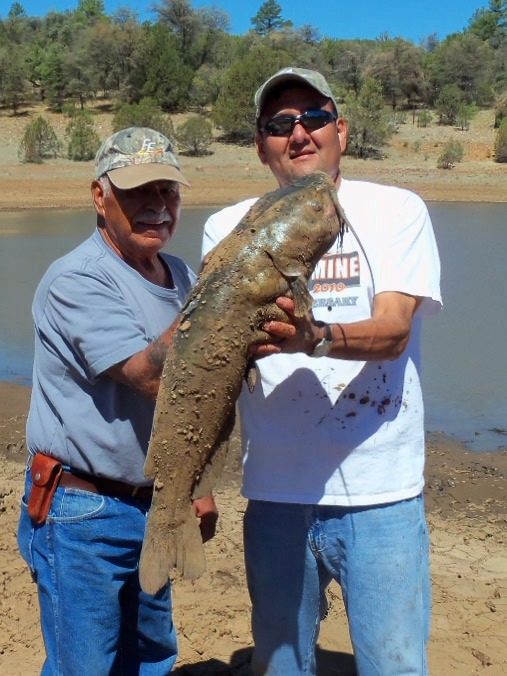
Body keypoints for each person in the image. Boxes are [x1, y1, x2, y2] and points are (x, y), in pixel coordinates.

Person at [202, 68, 442, 676]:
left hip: (382, 495)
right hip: (276, 493)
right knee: (280, 665)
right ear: (261, 145)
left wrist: (315, 338)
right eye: (280, 124)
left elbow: (393, 331)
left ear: (342, 129)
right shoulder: (227, 226)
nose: (298, 132)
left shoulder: (397, 210)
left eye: (312, 117)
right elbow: (214, 360)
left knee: (395, 665)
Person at [17, 127, 218, 675]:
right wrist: (229, 297)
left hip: (154, 503)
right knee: (85, 666)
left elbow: (192, 401)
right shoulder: (77, 280)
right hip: (82, 512)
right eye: (138, 193)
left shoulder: (179, 275)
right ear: (100, 197)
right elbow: (153, 378)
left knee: (151, 657)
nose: (157, 206)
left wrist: (192, 487)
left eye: (168, 192)